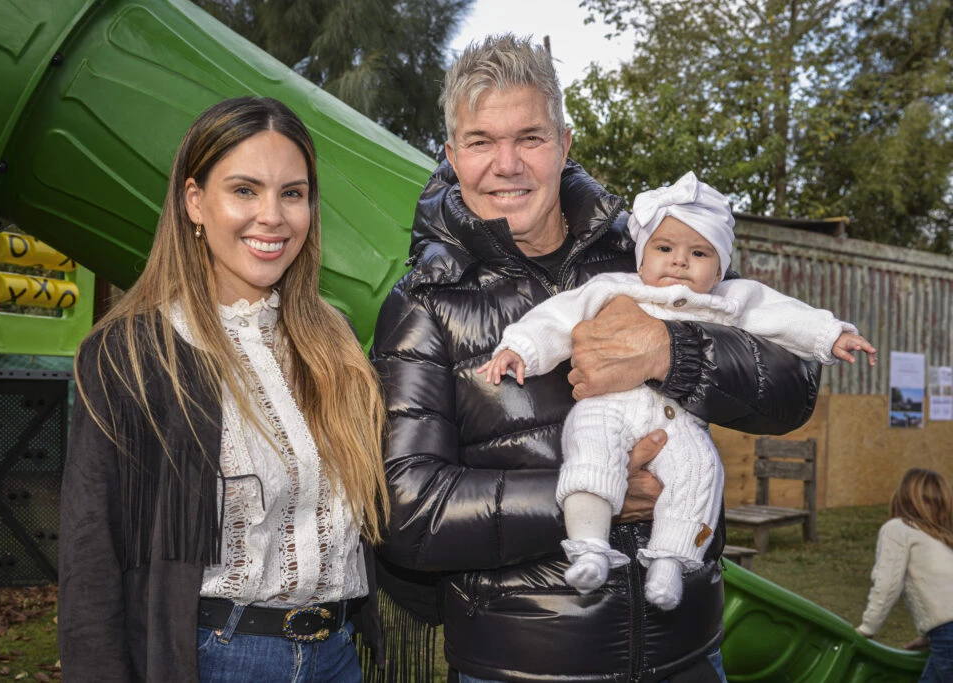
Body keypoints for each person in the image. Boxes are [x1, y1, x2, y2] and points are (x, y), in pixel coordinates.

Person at [372, 34, 821, 682]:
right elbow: (406, 509)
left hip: (688, 655)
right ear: (452, 154)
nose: (506, 164)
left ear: (564, 143)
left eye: (530, 137)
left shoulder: (649, 252)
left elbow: (795, 382)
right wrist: (593, 497)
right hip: (524, 667)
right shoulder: (425, 302)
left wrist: (672, 352)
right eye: (480, 141)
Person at [58, 96, 389, 682]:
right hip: (217, 659)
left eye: (293, 193)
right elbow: (91, 561)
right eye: (244, 190)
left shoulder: (331, 341)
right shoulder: (132, 354)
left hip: (338, 656)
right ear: (195, 201)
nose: (272, 216)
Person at [479, 171, 876, 610]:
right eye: (664, 248)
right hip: (608, 407)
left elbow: (785, 316)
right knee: (590, 452)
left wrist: (831, 335)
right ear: (641, 260)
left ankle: (669, 563)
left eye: (699, 252)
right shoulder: (614, 288)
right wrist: (520, 348)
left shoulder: (732, 299)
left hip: (679, 422)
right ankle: (588, 545)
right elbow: (556, 317)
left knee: (700, 471)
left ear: (720, 268)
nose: (679, 262)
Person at [856, 468, 953, 682]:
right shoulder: (941, 539)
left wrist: (867, 628)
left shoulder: (898, 529)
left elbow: (887, 585)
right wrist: (930, 635)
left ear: (902, 496)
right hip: (944, 633)